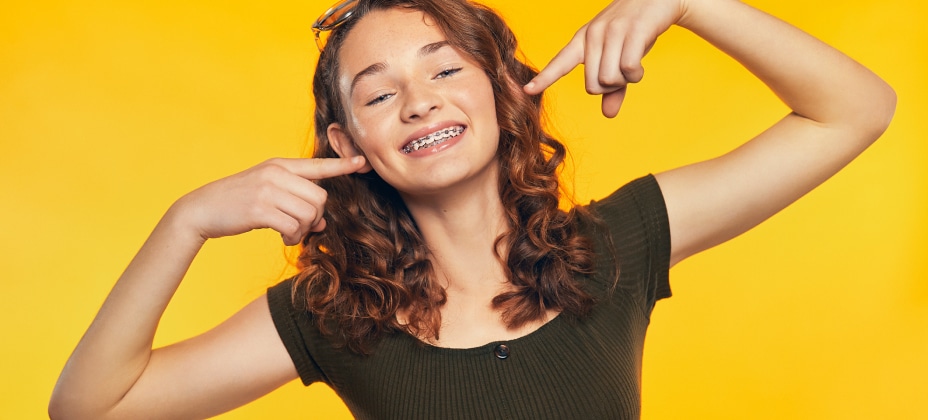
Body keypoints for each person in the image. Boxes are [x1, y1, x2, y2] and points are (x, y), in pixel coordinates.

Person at [49, 0, 895, 418]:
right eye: (379, 94)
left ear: (498, 91)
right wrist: (184, 223)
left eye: (445, 70)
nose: (419, 102)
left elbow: (854, 110)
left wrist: (689, 1)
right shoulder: (334, 315)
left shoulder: (614, 245)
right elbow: (88, 410)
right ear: (348, 147)